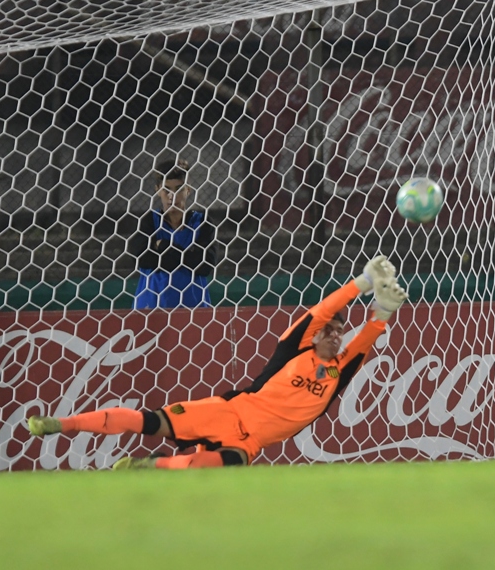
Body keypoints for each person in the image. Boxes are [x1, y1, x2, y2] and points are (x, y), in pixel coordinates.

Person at [27, 255, 405, 469]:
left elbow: (366, 340)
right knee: (148, 420)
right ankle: (59, 424)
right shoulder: (295, 350)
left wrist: (384, 310)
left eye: (341, 332)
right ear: (316, 335)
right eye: (331, 330)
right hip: (227, 411)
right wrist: (363, 282)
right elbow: (320, 311)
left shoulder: (339, 371)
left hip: (251, 439)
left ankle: (148, 467)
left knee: (228, 462)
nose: (336, 335)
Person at [129, 159, 217, 309]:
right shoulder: (149, 221)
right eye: (166, 189)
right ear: (157, 190)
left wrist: (164, 246)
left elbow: (205, 267)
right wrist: (187, 257)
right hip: (150, 309)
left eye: (178, 189)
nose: (172, 196)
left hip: (193, 308)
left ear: (188, 190)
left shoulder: (202, 222)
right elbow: (142, 260)